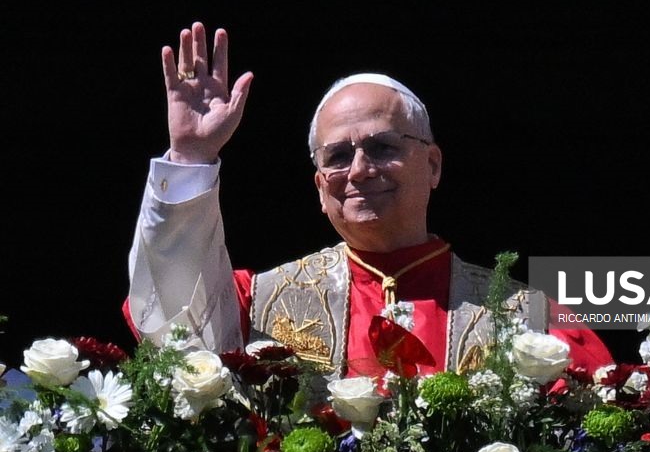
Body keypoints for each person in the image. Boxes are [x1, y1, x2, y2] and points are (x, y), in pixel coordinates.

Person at [125, 22, 613, 377]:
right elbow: (176, 328)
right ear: (320, 187)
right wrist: (190, 157)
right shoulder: (252, 300)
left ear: (434, 164)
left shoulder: (533, 317)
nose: (359, 170)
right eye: (337, 156)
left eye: (382, 147)